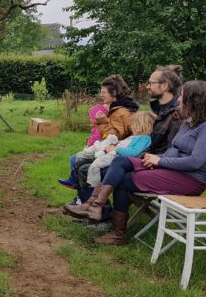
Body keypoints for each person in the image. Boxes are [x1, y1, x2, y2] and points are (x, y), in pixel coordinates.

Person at [68, 80, 206, 246]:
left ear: (195, 100)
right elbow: (174, 149)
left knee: (122, 180)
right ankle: (94, 205)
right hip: (173, 171)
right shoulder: (190, 122)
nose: (179, 100)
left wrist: (161, 161)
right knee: (121, 161)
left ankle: (115, 231)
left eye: (182, 97)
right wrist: (155, 160)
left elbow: (195, 162)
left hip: (190, 180)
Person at [71, 66, 183, 202]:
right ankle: (90, 206)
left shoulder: (176, 115)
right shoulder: (160, 110)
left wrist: (140, 157)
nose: (147, 86)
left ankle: (97, 210)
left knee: (88, 168)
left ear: (164, 86)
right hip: (139, 157)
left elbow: (172, 149)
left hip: (151, 163)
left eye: (151, 83)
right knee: (84, 164)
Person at [65, 111, 156, 219]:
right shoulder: (135, 137)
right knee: (79, 164)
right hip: (112, 158)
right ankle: (84, 204)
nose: (131, 126)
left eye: (133, 124)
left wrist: (115, 148)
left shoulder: (144, 138)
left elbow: (133, 153)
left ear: (141, 125)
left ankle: (102, 213)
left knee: (84, 170)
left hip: (120, 165)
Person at [68, 75, 139, 204]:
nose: (101, 95)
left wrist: (102, 122)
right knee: (76, 160)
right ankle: (82, 200)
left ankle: (91, 205)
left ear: (114, 93)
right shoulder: (116, 109)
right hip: (112, 150)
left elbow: (114, 138)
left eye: (104, 92)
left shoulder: (121, 112)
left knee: (78, 162)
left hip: (117, 153)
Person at [58, 104, 109, 188]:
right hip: (95, 149)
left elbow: (95, 140)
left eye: (91, 117)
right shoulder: (97, 127)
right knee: (74, 159)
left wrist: (88, 146)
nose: (90, 119)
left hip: (97, 151)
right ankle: (74, 181)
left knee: (74, 159)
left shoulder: (100, 129)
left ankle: (75, 182)